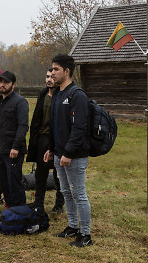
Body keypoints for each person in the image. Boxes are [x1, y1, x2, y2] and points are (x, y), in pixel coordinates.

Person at [44, 54, 92, 247]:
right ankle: (72, 227)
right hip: (58, 154)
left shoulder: (77, 95)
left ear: (67, 71)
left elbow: (79, 128)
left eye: (56, 69)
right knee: (65, 191)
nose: (52, 73)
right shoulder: (57, 94)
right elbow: (56, 126)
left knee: (79, 193)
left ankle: (86, 235)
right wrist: (51, 148)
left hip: (74, 156)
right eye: (52, 69)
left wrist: (69, 153)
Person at [26, 69, 64, 213]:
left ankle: (59, 204)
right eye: (47, 76)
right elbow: (37, 119)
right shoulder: (42, 95)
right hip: (41, 139)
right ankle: (38, 202)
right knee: (40, 172)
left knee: (58, 173)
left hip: (57, 139)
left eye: (52, 77)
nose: (49, 80)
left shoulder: (62, 96)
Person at [0, 71, 28, 207]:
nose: (2, 84)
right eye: (0, 82)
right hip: (0, 150)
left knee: (14, 181)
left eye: (6, 82)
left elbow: (23, 126)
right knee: (4, 181)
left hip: (13, 151)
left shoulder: (20, 102)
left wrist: (16, 147)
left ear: (13, 84)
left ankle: (19, 210)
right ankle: (9, 208)